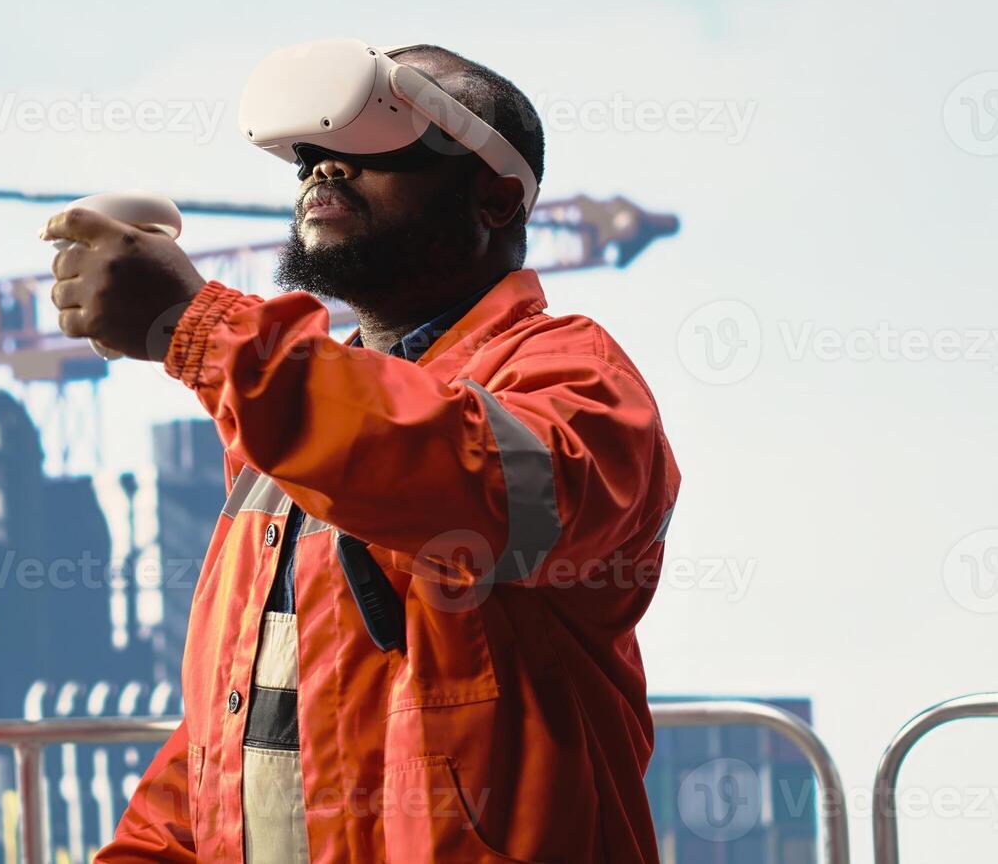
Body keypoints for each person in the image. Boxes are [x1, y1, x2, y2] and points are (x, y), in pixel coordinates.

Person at [46, 45, 681, 862]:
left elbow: (476, 488)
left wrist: (203, 331)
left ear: (495, 198)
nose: (328, 168)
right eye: (311, 155)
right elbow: (240, 719)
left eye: (384, 144)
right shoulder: (283, 437)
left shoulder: (574, 378)